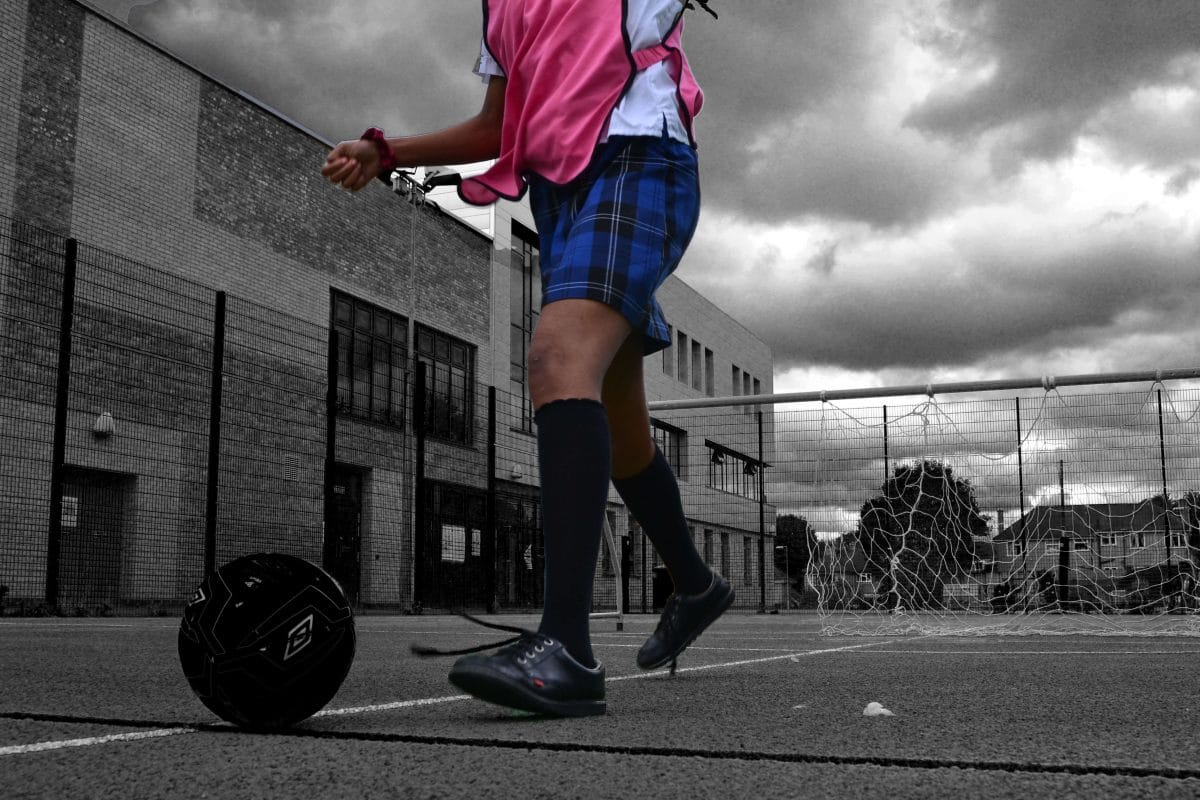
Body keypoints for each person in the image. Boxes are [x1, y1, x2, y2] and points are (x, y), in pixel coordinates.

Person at [321, 0, 731, 718]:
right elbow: (497, 129)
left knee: (555, 359)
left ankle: (565, 651)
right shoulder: (502, 11)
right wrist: (386, 152)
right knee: (624, 429)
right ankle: (696, 584)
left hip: (638, 161)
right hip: (562, 197)